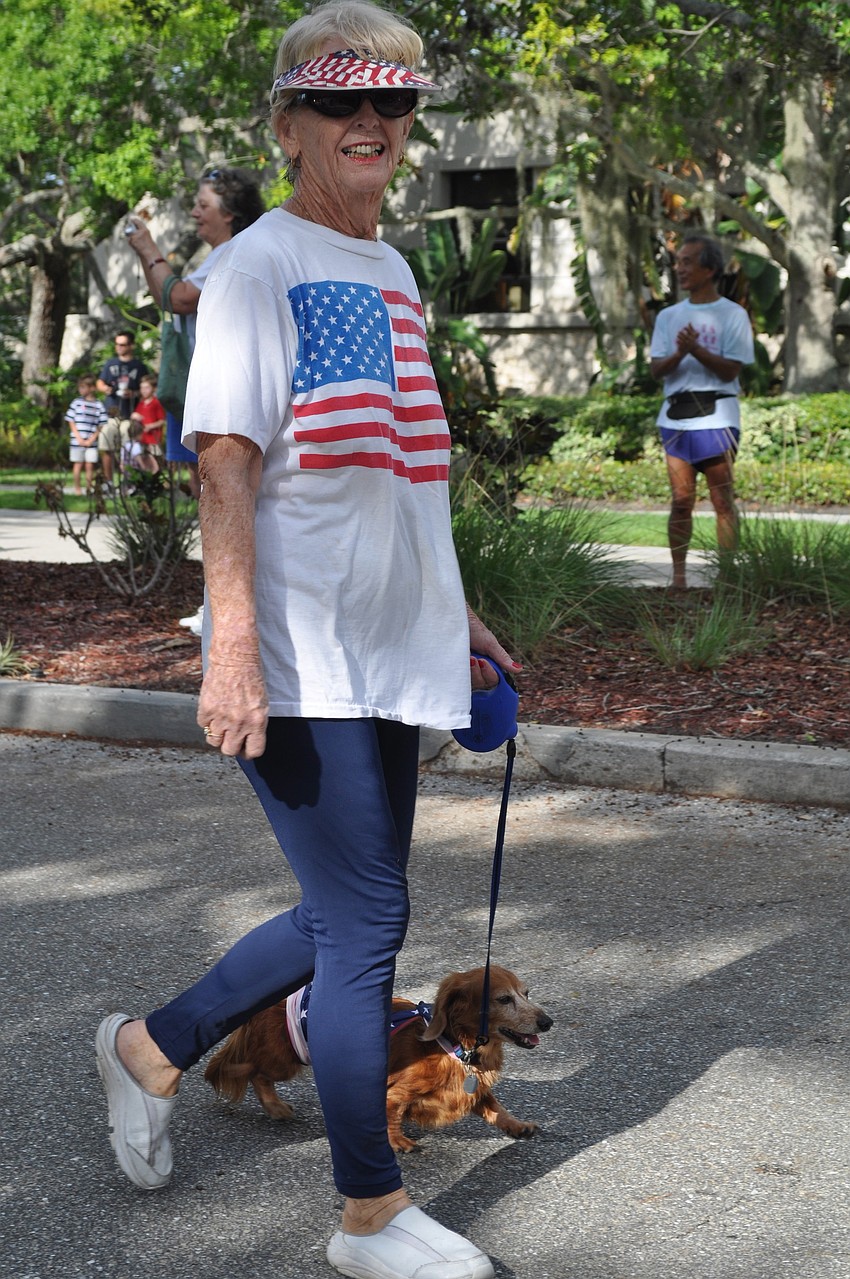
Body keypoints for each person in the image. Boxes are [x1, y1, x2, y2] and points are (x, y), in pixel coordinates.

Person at [95, 5, 520, 1278]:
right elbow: (225, 464)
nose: (370, 122)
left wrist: (456, 609)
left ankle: (153, 1046)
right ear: (288, 125)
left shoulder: (391, 270)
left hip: (392, 641)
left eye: (392, 102)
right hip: (296, 649)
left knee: (346, 914)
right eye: (339, 102)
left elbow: (400, 476)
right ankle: (368, 1214)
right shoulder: (256, 266)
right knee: (368, 921)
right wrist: (232, 650)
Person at [125, 167, 265, 635]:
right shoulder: (220, 255)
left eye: (203, 205)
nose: (193, 213)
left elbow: (181, 298)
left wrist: (147, 247)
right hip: (197, 393)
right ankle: (220, 602)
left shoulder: (232, 253)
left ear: (230, 213)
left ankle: (227, 608)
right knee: (209, 496)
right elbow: (171, 297)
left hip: (216, 396)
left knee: (219, 496)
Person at [650, 234, 755, 588]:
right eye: (678, 262)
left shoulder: (733, 314)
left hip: (718, 415)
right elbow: (656, 369)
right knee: (681, 501)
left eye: (687, 262)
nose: (679, 269)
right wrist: (681, 353)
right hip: (675, 417)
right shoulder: (669, 316)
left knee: (721, 500)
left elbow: (730, 371)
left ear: (709, 269)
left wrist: (696, 349)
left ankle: (726, 578)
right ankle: (679, 580)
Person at [96, 332, 149, 490]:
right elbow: (100, 382)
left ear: (131, 345)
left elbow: (147, 388)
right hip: (111, 414)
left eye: (123, 344)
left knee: (129, 448)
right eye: (117, 344)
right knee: (106, 443)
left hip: (129, 415)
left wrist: (134, 393)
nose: (119, 347)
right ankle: (108, 482)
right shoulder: (110, 363)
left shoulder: (139, 366)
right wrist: (106, 389)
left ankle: (129, 482)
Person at [65, 374, 108, 495]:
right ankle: (77, 489)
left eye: (83, 387)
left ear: (92, 388)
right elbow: (70, 420)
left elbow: (101, 424)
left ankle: (89, 488)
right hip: (77, 441)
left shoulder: (98, 405)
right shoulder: (76, 402)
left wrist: (92, 439)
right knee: (78, 463)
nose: (81, 390)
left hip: (91, 442)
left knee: (90, 465)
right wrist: (78, 437)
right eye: (80, 387)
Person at [133, 373, 166, 470]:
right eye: (142, 388)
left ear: (154, 388)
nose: (144, 390)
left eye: (147, 388)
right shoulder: (141, 403)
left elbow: (162, 420)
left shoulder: (156, 403)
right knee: (145, 462)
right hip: (143, 438)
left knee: (156, 461)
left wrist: (150, 426)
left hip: (153, 439)